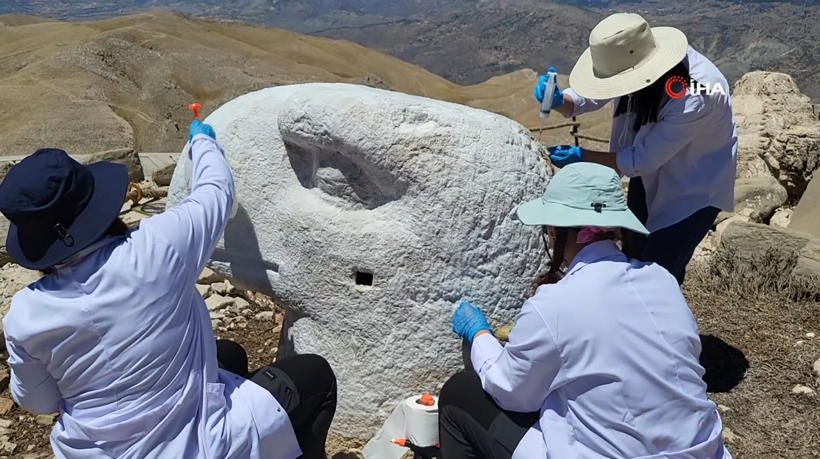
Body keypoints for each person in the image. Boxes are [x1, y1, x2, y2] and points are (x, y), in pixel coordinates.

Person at [0, 121, 336, 459]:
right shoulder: (157, 245)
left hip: (92, 452)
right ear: (95, 203)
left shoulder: (25, 315)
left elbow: (37, 401)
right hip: (190, 446)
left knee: (229, 354)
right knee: (315, 376)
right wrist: (203, 144)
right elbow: (216, 190)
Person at [439, 162, 732, 459]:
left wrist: (479, 335)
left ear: (554, 230)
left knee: (458, 394)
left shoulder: (554, 304)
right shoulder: (662, 279)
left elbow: (511, 392)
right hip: (702, 450)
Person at [534, 12, 738, 285]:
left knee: (660, 273)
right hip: (647, 176)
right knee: (634, 258)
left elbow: (641, 159)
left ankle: (665, 324)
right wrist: (561, 100)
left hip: (693, 190)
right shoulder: (639, 60)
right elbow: (592, 94)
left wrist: (582, 157)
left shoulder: (696, 95)